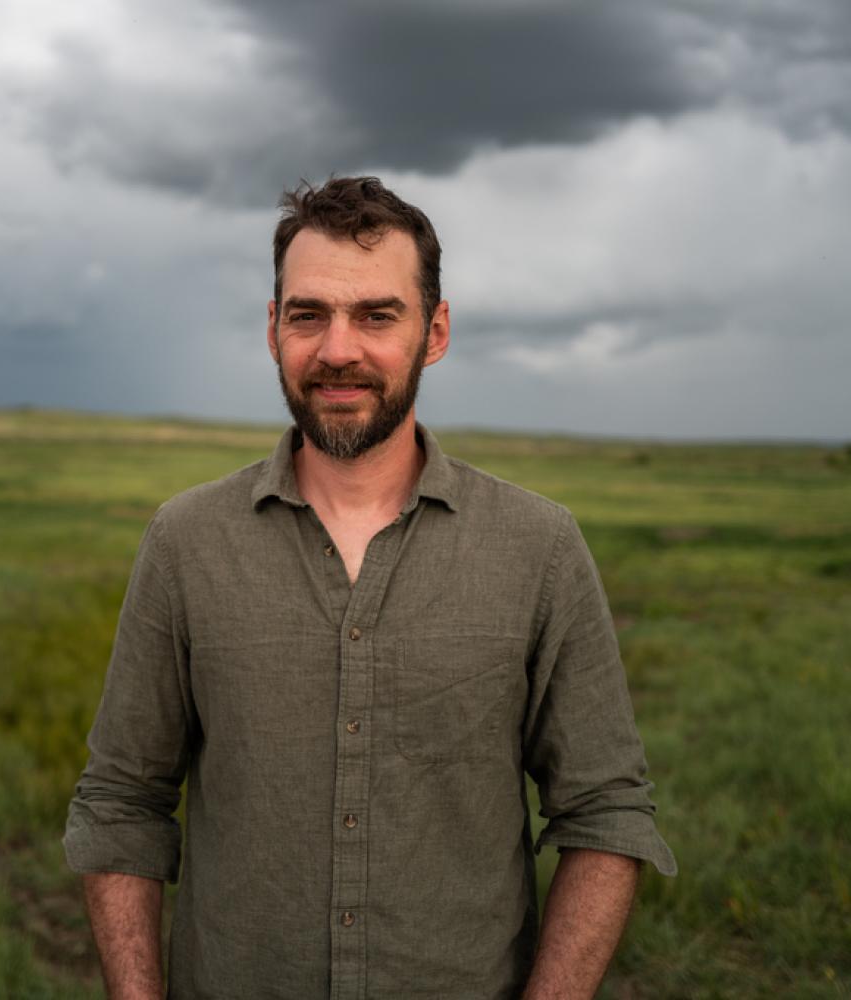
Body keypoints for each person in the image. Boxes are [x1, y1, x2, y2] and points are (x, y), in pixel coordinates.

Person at [64, 175, 676, 1000]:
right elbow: (122, 803)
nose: (338, 349)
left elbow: (607, 813)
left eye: (377, 315)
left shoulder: (540, 547)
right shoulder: (186, 542)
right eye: (308, 314)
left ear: (436, 331)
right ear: (273, 329)